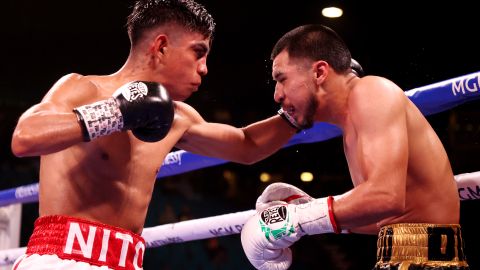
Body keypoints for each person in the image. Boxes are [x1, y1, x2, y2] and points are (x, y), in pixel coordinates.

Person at [9, 0, 305, 269]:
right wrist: (116, 114)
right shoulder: (83, 89)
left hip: (126, 262)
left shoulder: (177, 117)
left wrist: (299, 110)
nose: (204, 69)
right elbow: (25, 137)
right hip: (60, 258)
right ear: (161, 47)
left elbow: (247, 145)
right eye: (198, 53)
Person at [240, 24, 470, 270]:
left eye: (281, 79)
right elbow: (385, 217)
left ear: (319, 72)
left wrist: (300, 218)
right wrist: (307, 211)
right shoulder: (351, 127)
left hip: (429, 262)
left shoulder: (372, 91)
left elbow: (386, 197)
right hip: (400, 258)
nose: (277, 94)